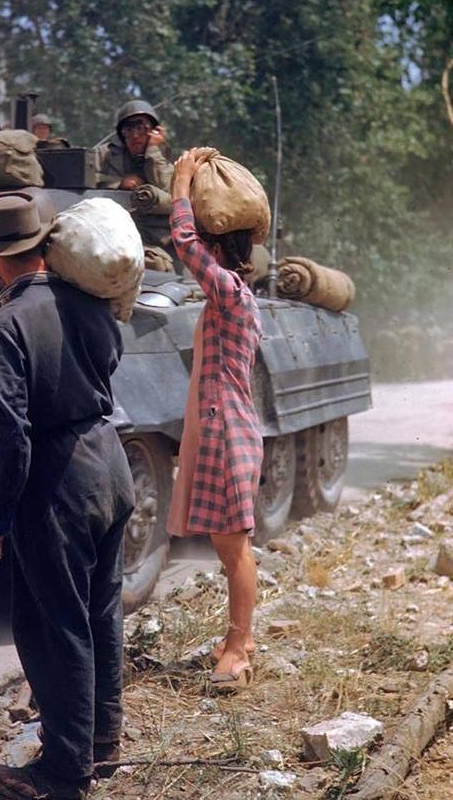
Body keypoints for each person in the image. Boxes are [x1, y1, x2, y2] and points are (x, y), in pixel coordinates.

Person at [0, 191, 135, 800]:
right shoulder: (89, 300)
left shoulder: (6, 323)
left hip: (58, 482)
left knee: (54, 625)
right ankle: (102, 742)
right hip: (110, 464)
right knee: (101, 610)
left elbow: (9, 435)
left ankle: (64, 772)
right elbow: (111, 362)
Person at [167, 147, 263, 690]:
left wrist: (181, 184)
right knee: (230, 547)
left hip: (226, 430)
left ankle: (239, 650)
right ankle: (238, 639)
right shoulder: (235, 296)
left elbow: (184, 243)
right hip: (222, 426)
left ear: (219, 249)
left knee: (233, 547)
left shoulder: (228, 293)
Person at [96, 100, 173, 191]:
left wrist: (152, 150)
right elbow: (85, 177)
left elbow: (167, 188)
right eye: (128, 130)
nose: (135, 135)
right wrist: (119, 183)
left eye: (140, 128)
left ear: (154, 131)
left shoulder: (162, 156)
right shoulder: (105, 154)